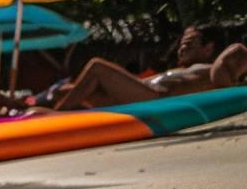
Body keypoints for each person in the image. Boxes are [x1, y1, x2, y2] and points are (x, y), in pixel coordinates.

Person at [54, 26, 247, 111]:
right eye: (181, 44)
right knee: (62, 91)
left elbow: (224, 76)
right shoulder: (183, 69)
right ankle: (50, 115)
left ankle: (59, 117)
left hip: (155, 99)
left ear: (209, 48)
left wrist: (235, 52)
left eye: (188, 44)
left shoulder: (210, 68)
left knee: (97, 67)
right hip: (141, 94)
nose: (181, 48)